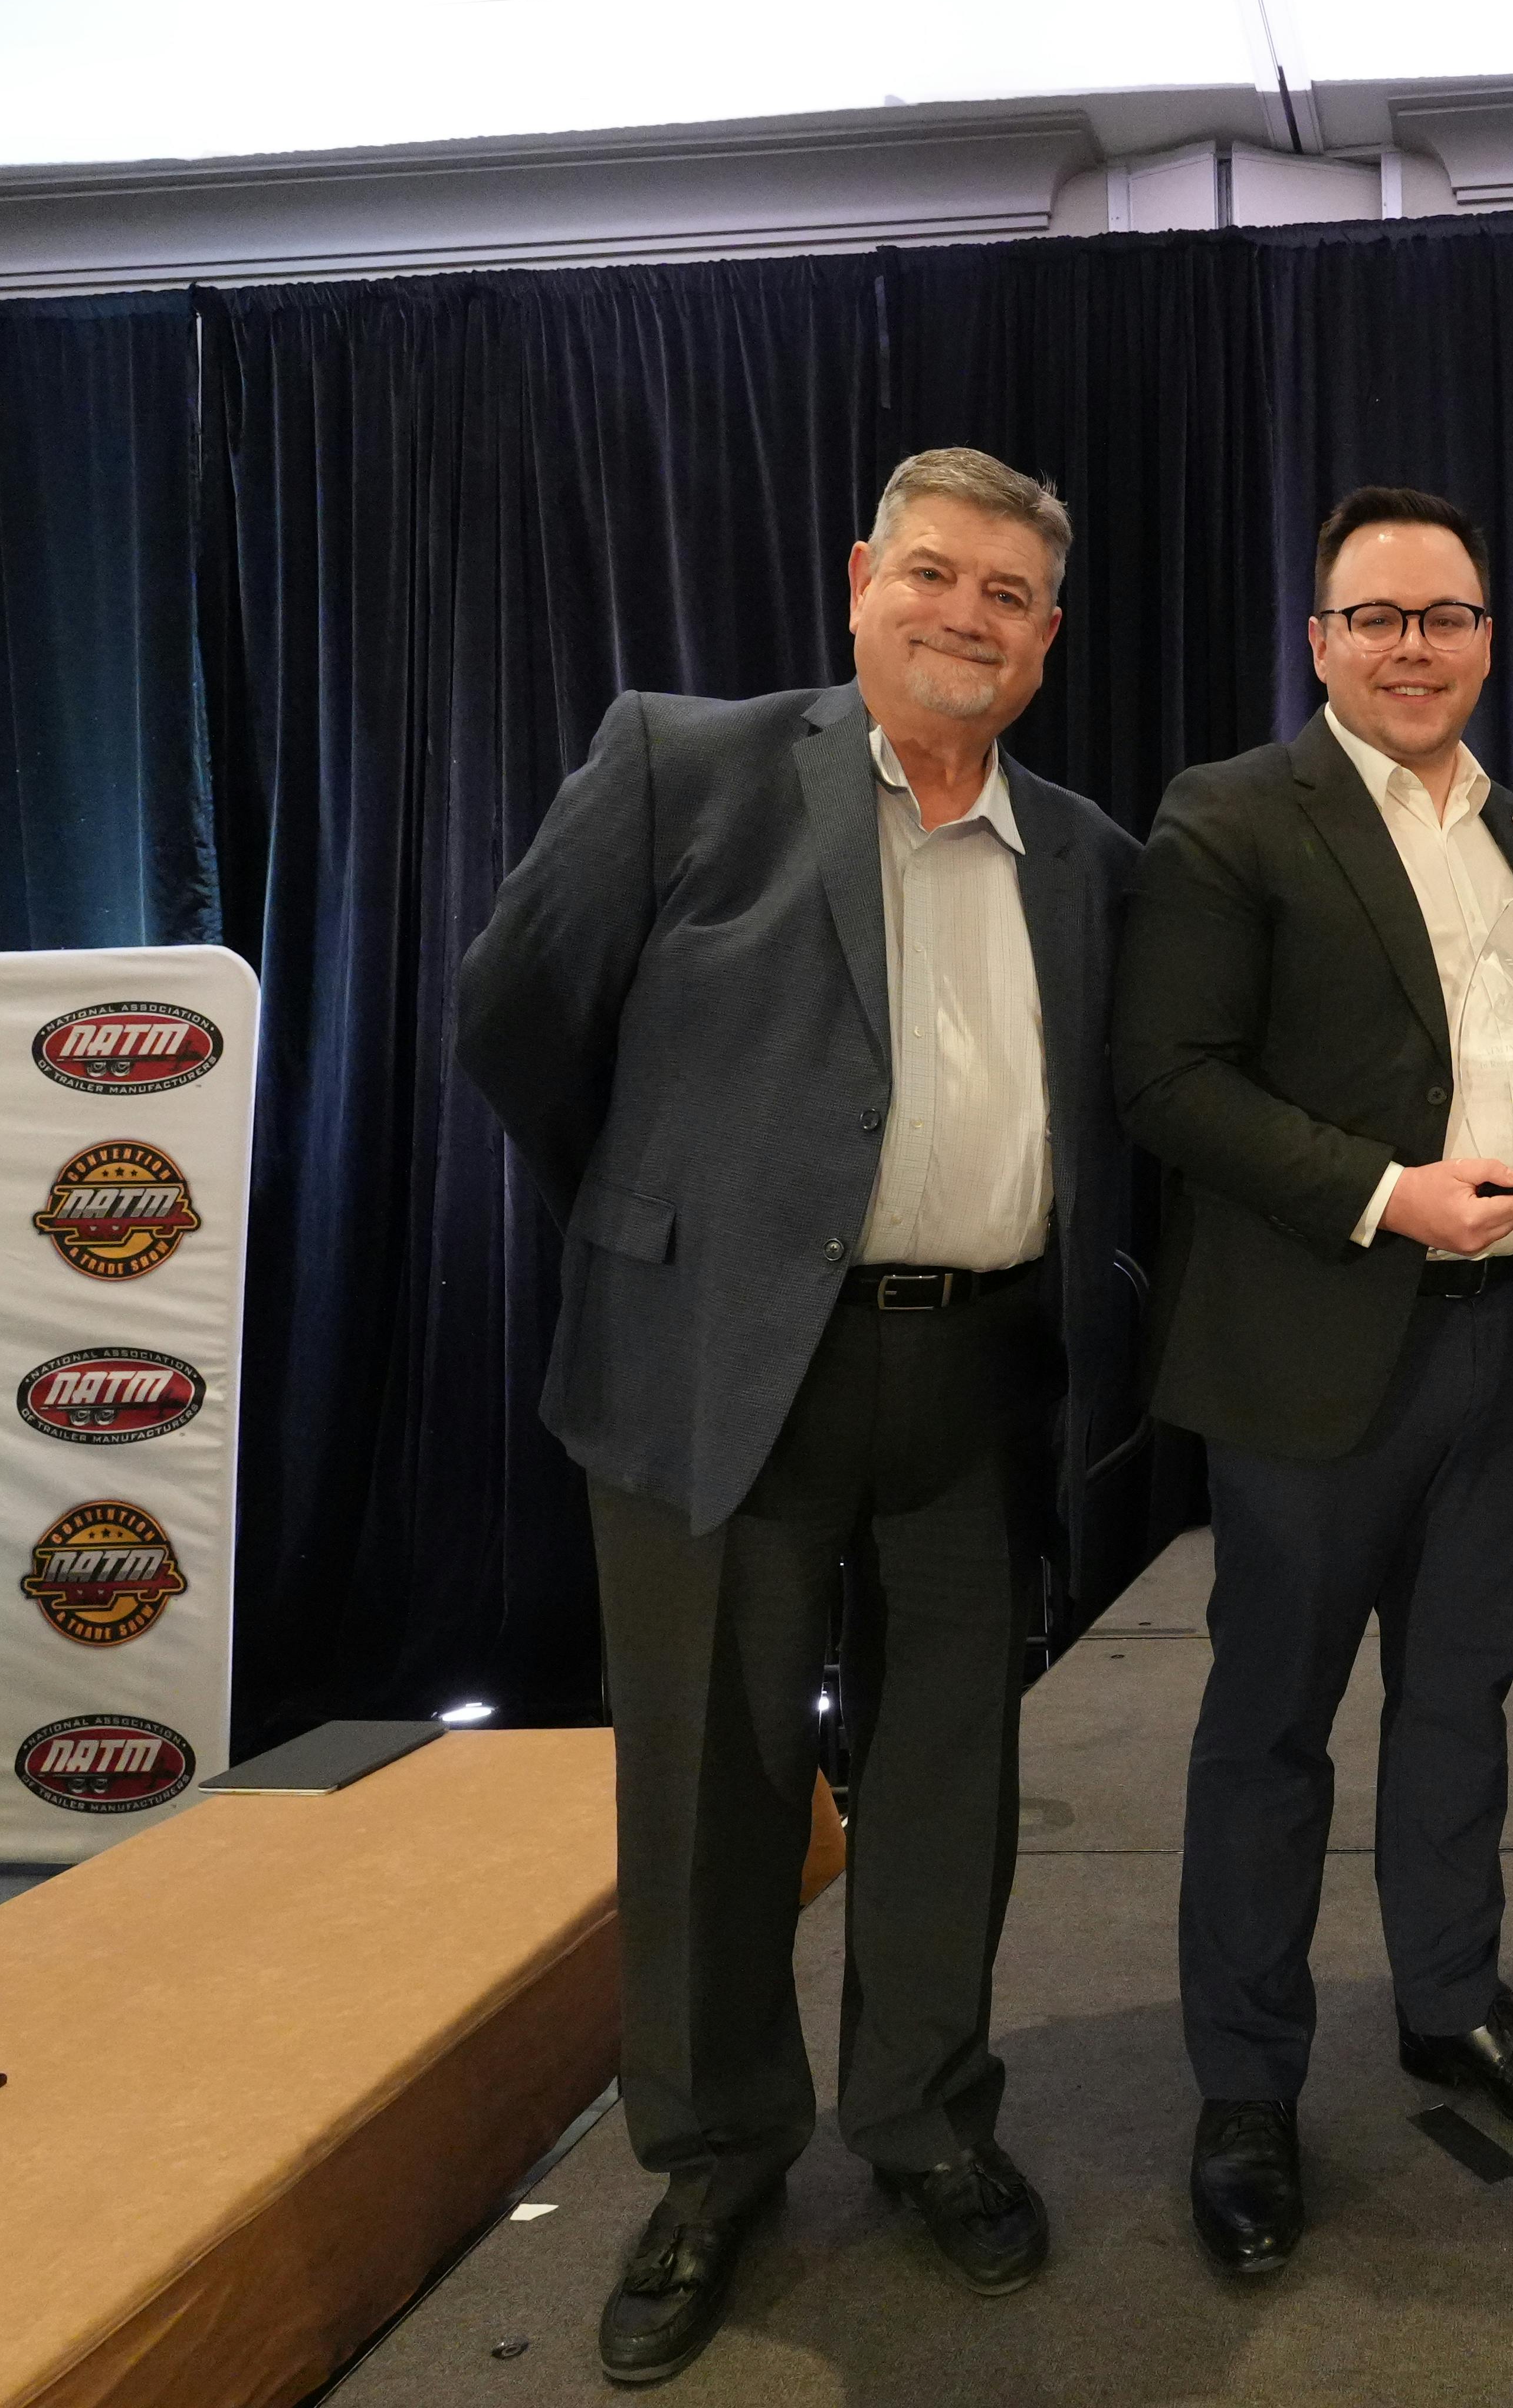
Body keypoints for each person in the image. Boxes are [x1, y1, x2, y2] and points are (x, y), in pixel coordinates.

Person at [458, 448, 1141, 2380]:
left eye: (1007, 593)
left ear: (1048, 636)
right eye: (934, 572)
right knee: (708, 1781)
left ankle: (923, 2117)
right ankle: (714, 2155)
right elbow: (517, 1017)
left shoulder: (1091, 853)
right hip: (716, 1365)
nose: (965, 615)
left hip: (977, 1371)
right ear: (861, 579)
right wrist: (670, 1228)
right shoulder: (685, 764)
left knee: (948, 1775)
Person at [1116, 485, 1513, 2282]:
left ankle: (1451, 2004)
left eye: (1447, 616)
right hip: (1315, 1346)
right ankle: (1245, 2089)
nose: (1415, 647)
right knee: (1270, 1732)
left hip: (1510, 1341)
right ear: (1320, 641)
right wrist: (1382, 1193)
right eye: (1379, 617)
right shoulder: (1230, 815)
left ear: (1490, 638)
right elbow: (1167, 1080)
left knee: (1460, 1704)